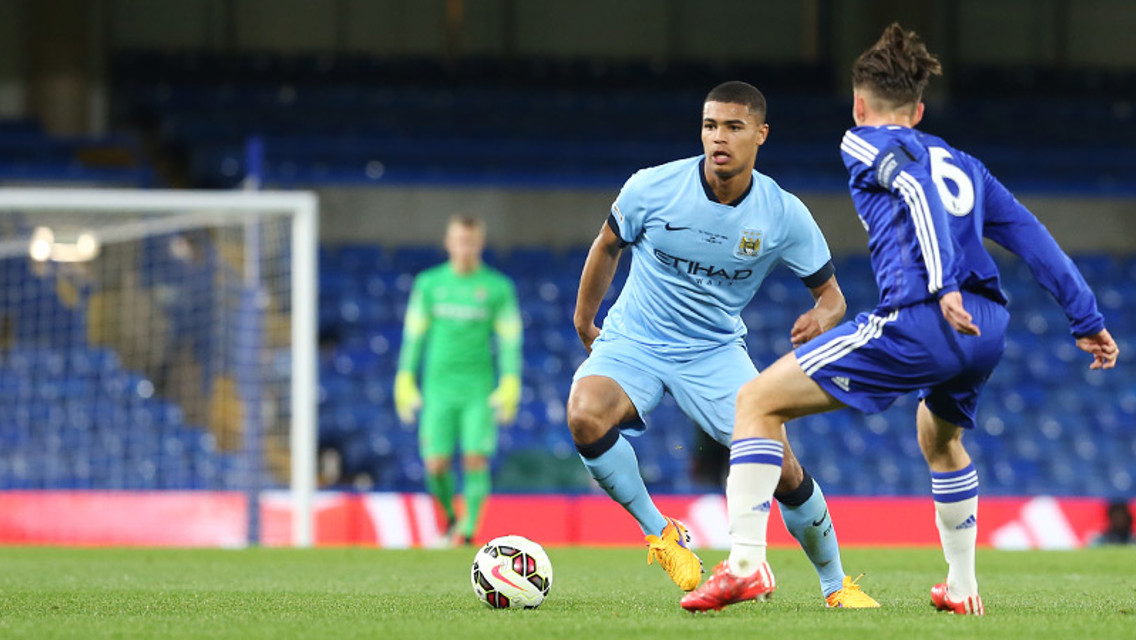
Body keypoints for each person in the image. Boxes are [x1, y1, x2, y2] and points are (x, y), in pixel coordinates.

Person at [681, 24, 1120, 616]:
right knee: (939, 437)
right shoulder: (965, 164)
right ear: (917, 109)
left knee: (757, 401)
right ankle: (962, 589)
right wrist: (1084, 316)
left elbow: (912, 186)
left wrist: (940, 287)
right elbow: (1030, 236)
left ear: (860, 104)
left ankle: (743, 566)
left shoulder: (863, 141)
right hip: (986, 328)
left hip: (926, 317)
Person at [567, 80, 878, 608]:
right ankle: (661, 533)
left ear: (760, 134)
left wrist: (821, 318)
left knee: (783, 469)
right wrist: (584, 319)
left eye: (734, 127)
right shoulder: (652, 187)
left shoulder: (783, 214)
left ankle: (835, 585)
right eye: (711, 125)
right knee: (584, 415)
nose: (719, 137)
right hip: (634, 340)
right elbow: (607, 244)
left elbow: (833, 297)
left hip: (713, 351)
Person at [394, 215, 523, 546]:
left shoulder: (498, 288)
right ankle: (451, 516)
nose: (465, 248)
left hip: (477, 389)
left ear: (480, 243)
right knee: (435, 464)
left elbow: (510, 340)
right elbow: (414, 336)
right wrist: (405, 377)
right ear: (448, 243)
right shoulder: (428, 284)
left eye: (471, 241)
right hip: (438, 389)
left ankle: (467, 532)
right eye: (459, 241)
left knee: (474, 458)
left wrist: (510, 381)